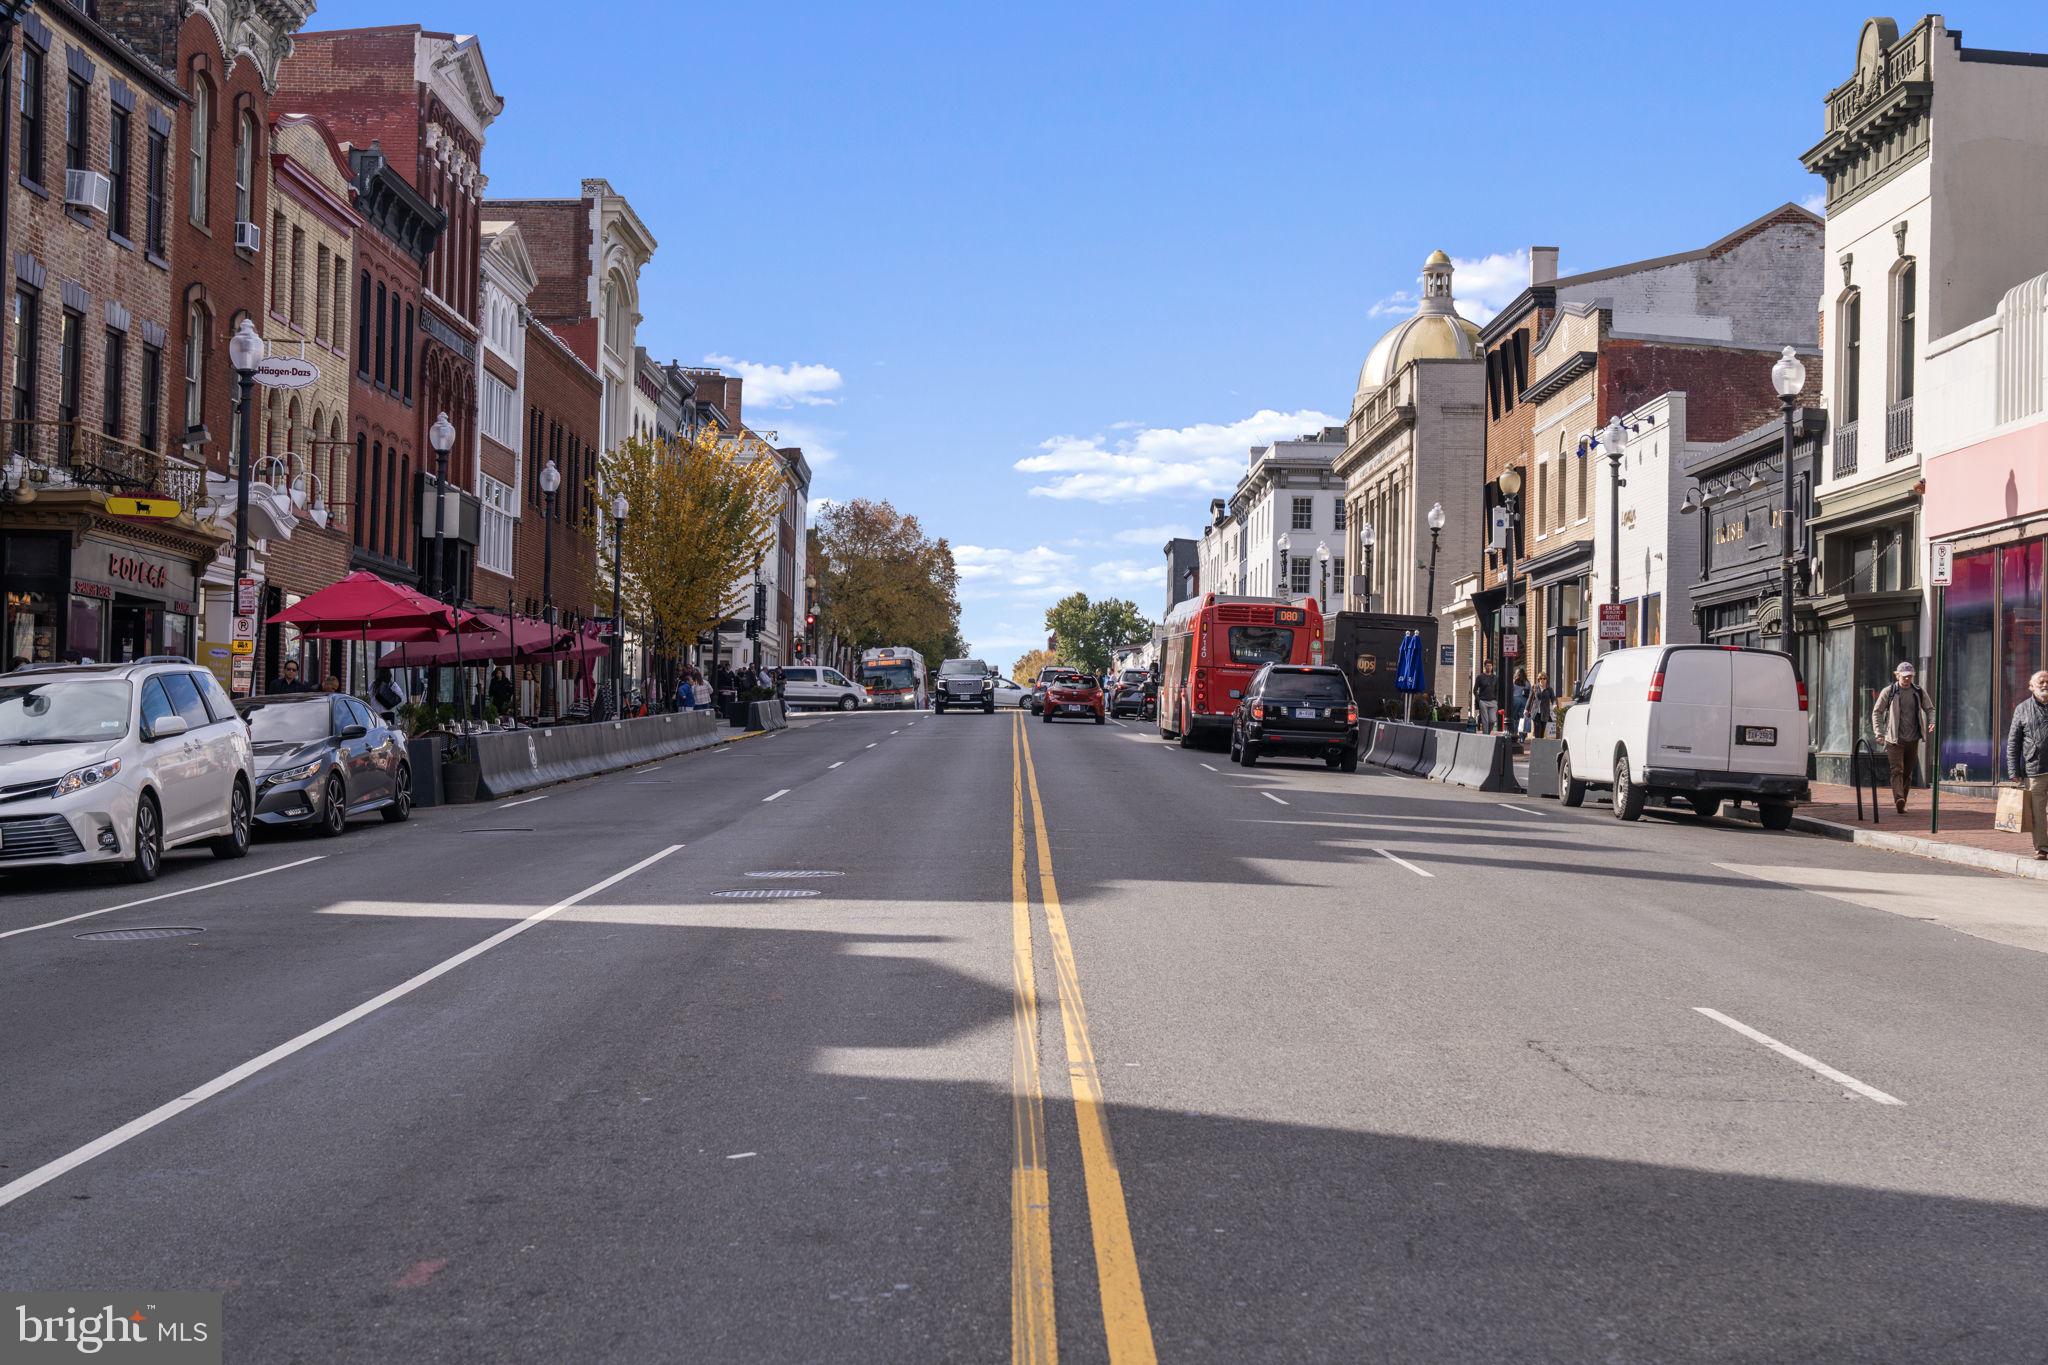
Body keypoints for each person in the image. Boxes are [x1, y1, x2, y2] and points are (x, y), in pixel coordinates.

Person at [1870, 661, 1934, 815]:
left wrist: (1932, 721)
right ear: (1897, 675)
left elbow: (1930, 709)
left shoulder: (1918, 691)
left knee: (1907, 773)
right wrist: (1879, 733)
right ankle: (1899, 798)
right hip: (1894, 739)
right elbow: (1877, 712)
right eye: (1904, 676)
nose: (1907, 679)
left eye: (1910, 676)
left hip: (1912, 739)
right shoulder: (1889, 691)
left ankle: (1902, 802)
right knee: (1897, 770)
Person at [2006, 670, 2048, 860]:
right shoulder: (2022, 709)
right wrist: (2013, 770)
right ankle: (2042, 848)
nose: (2045, 685)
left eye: (2047, 682)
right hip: (2035, 769)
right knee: (2037, 813)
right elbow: (2013, 742)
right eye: (2041, 682)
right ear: (2032, 687)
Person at [1528, 671, 1557, 740]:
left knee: (1542, 732)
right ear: (1538, 679)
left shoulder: (1549, 689)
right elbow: (1530, 699)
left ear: (1546, 679)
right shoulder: (1535, 687)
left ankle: (1539, 746)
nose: (1542, 680)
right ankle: (1537, 746)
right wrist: (1526, 709)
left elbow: (1553, 698)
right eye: (1540, 678)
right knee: (1537, 731)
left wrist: (1554, 704)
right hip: (1536, 712)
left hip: (1545, 713)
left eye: (1544, 678)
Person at [1472, 665, 1498, 734]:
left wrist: (1496, 699)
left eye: (1490, 666)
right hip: (1483, 701)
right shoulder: (1480, 677)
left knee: (1492, 720)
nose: (1489, 667)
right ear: (1484, 667)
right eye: (1487, 666)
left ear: (1492, 667)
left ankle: (1488, 733)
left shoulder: (1495, 677)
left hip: (1493, 701)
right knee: (1485, 721)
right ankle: (1486, 735)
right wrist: (1479, 700)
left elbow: (1497, 689)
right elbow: (1475, 690)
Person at [1509, 667, 1530, 739]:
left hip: (1515, 700)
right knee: (1522, 719)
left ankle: (1514, 734)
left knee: (1515, 719)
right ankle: (1522, 737)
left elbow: (1510, 692)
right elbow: (1530, 693)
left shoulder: (1514, 681)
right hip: (1524, 701)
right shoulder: (1527, 682)